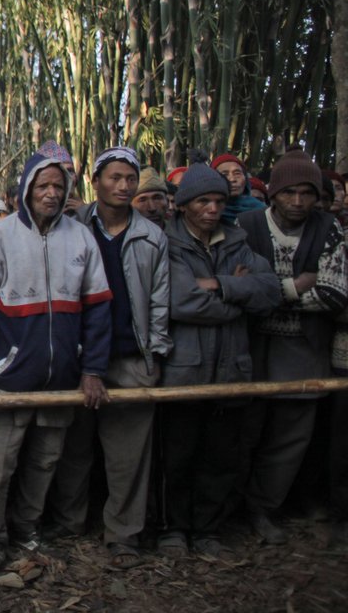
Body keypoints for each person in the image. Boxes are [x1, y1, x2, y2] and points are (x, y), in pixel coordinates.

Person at [0, 146, 113, 577]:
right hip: (10, 375)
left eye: (58, 186)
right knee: (0, 462)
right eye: (43, 185)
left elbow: (99, 308)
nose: (51, 193)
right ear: (25, 190)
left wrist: (93, 369)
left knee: (46, 459)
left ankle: (27, 526)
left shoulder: (81, 238)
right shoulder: (0, 236)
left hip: (62, 375)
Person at [46, 147, 170, 569]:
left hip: (131, 355)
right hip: (77, 354)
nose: (123, 186)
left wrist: (154, 352)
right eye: (114, 178)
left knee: (128, 454)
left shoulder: (152, 236)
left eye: (130, 179)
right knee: (73, 446)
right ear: (95, 182)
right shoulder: (71, 227)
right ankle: (69, 521)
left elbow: (158, 302)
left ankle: (124, 533)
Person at [158, 163, 279, 559]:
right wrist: (238, 296)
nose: (211, 209)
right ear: (183, 206)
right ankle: (174, 528)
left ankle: (208, 530)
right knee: (177, 455)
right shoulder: (168, 244)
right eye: (202, 201)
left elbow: (270, 293)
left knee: (220, 456)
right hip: (184, 371)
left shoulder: (239, 243)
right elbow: (181, 301)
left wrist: (220, 285)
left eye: (218, 201)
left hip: (231, 370)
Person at [237, 148, 347, 544]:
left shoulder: (328, 227)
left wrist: (270, 292)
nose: (298, 202)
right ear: (273, 194)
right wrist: (296, 284)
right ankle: (235, 508)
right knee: (245, 429)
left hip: (304, 349)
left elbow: (335, 294)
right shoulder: (248, 224)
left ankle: (265, 507)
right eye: (289, 193)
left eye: (306, 193)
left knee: (291, 436)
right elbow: (242, 290)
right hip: (250, 346)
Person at [211, 153, 266, 224]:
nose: (232, 179)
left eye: (237, 173)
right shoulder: (207, 211)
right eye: (224, 174)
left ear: (245, 178)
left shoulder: (262, 211)